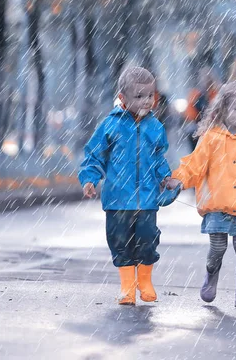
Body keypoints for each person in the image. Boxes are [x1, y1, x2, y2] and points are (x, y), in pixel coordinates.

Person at [165, 82, 236, 309]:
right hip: (216, 206)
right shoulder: (211, 138)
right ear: (222, 111)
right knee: (217, 248)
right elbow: (194, 165)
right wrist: (179, 178)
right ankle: (211, 276)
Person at [78, 67, 178, 306]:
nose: (147, 101)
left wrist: (166, 177)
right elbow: (95, 155)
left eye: (150, 95)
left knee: (147, 238)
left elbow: (158, 158)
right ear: (122, 98)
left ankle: (145, 280)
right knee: (119, 240)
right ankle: (127, 286)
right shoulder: (110, 125)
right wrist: (90, 178)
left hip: (146, 198)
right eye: (139, 96)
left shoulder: (155, 127)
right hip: (117, 198)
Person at [184, 68, 217, 151]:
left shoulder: (215, 94)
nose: (205, 82)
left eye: (207, 79)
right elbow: (190, 113)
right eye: (203, 79)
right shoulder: (195, 94)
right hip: (199, 125)